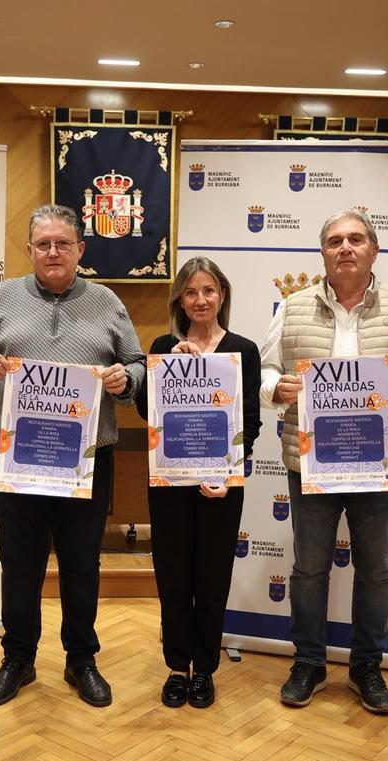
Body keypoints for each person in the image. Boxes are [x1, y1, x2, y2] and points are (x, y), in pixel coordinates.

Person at [260, 209, 388, 714]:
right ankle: (309, 663)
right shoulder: (292, 307)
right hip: (311, 463)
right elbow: (265, 368)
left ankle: (367, 667)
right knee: (308, 569)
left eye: (355, 239)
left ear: (374, 250)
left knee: (377, 570)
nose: (345, 247)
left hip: (378, 464)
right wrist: (275, 387)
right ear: (323, 252)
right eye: (334, 241)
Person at [0, 204, 145, 708]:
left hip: (87, 457)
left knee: (82, 562)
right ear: (30, 250)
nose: (54, 252)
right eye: (44, 244)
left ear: (81, 249)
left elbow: (137, 364)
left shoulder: (107, 302)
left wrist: (127, 379)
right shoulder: (1, 298)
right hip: (18, 456)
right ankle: (18, 658)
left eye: (63, 244)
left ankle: (81, 659)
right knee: (20, 562)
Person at [135, 257, 261, 708]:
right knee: (172, 577)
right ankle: (176, 666)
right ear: (180, 301)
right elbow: (145, 411)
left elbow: (250, 421)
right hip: (169, 483)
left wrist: (231, 474)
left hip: (221, 485)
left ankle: (204, 668)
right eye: (191, 292)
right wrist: (166, 368)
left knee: (212, 577)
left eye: (208, 290)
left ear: (222, 295)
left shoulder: (244, 350)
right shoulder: (163, 345)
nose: (200, 300)